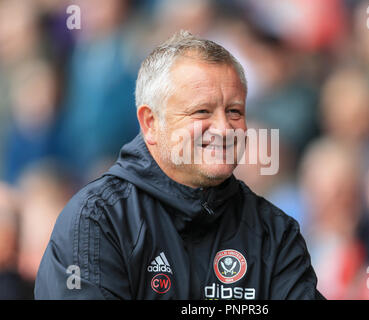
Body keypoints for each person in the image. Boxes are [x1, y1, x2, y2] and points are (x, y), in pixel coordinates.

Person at [34, 30, 323, 300]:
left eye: (234, 111)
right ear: (150, 123)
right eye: (202, 111)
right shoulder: (98, 220)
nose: (224, 129)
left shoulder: (274, 231)